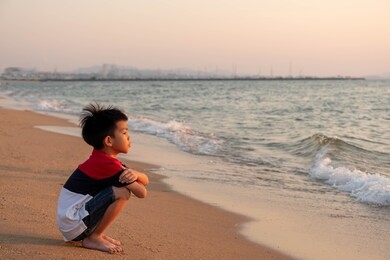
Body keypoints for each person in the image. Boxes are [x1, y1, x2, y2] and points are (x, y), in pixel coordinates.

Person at [56, 103, 149, 253]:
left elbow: (145, 180)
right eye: (124, 133)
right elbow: (142, 192)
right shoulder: (107, 165)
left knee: (118, 188)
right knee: (122, 192)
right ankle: (94, 237)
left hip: (71, 222)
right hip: (73, 225)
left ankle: (96, 233)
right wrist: (136, 176)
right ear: (108, 141)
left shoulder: (103, 159)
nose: (129, 137)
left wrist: (137, 174)